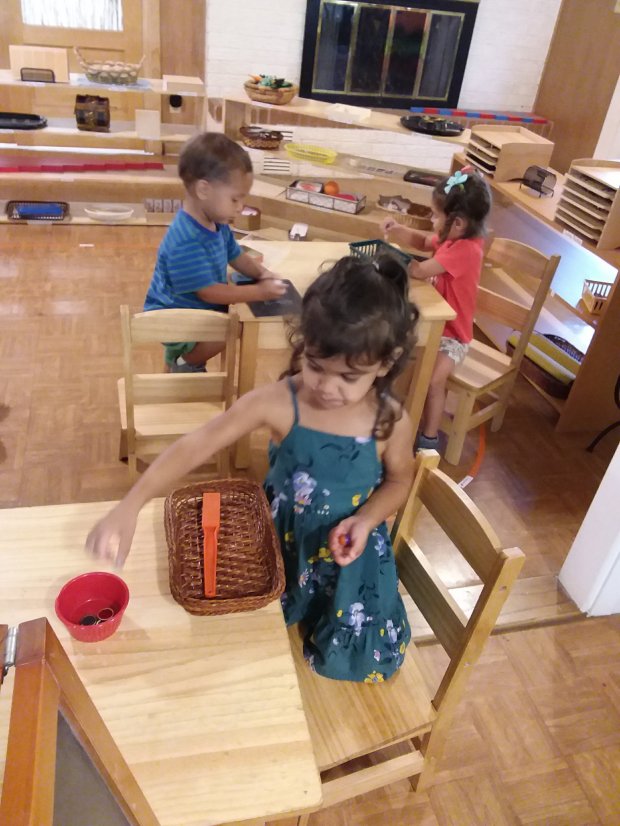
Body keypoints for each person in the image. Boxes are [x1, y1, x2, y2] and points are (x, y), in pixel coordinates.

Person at [87, 255, 420, 683]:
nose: (326, 386)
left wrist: (367, 518)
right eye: (315, 365)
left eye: (348, 377)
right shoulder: (280, 402)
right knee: (251, 650)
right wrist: (130, 504)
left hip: (350, 554)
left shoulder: (390, 421)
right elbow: (196, 444)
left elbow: (400, 480)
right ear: (303, 345)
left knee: (346, 659)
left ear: (386, 364)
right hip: (280, 543)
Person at [144, 132, 286, 372]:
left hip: (196, 312)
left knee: (231, 323)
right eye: (234, 199)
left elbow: (236, 254)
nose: (240, 207)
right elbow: (209, 293)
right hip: (175, 321)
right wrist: (259, 292)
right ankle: (185, 362)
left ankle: (180, 361)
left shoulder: (217, 223)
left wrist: (262, 273)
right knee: (232, 328)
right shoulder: (185, 240)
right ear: (204, 190)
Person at [381, 166, 492, 451]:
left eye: (435, 215)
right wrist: (398, 230)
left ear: (458, 223)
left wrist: (391, 257)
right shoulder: (452, 238)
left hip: (453, 337)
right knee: (398, 357)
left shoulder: (467, 250)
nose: (431, 220)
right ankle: (400, 414)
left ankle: (429, 438)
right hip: (434, 325)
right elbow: (422, 241)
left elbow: (419, 271)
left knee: (432, 381)